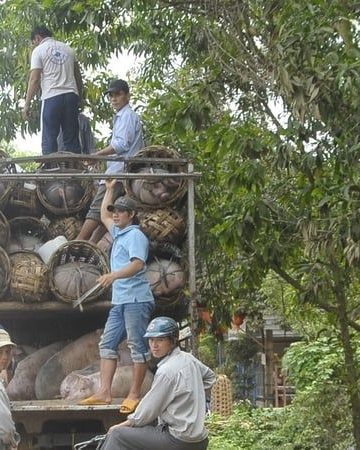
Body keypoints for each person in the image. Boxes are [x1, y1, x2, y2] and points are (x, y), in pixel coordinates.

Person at [78, 184, 154, 415]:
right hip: (120, 301)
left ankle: (134, 394)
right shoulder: (118, 232)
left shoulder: (135, 236)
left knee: (137, 347)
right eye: (115, 211)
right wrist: (109, 188)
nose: (115, 214)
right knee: (107, 344)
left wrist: (113, 275)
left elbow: (138, 264)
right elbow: (102, 214)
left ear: (131, 215)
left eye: (120, 211)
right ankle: (104, 392)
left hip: (136, 300)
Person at [100, 317, 216, 450]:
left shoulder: (166, 371)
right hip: (199, 440)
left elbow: (149, 408)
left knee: (117, 435)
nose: (154, 345)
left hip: (177, 439)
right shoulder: (188, 359)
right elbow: (210, 378)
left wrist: (125, 423)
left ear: (172, 341)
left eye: (160, 340)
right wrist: (190, 392)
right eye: (151, 340)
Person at [76, 79, 144, 242]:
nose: (114, 99)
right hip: (120, 170)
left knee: (96, 209)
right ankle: (91, 243)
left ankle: (78, 242)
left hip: (118, 172)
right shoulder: (122, 117)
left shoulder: (127, 116)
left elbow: (121, 144)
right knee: (108, 212)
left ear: (127, 96)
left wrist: (97, 156)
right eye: (111, 96)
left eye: (118, 95)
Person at [22, 25, 83, 155]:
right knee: (72, 139)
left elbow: (34, 79)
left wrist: (27, 104)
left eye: (33, 43)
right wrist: (79, 98)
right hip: (71, 95)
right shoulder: (68, 49)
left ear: (37, 38)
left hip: (52, 97)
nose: (34, 46)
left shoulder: (39, 51)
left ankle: (49, 171)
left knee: (49, 139)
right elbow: (78, 77)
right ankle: (75, 171)